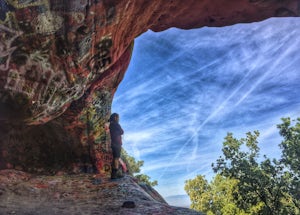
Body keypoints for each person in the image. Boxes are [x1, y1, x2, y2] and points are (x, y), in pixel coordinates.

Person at [109, 113, 124, 179]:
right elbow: (122, 131)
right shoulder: (116, 124)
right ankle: (115, 174)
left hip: (113, 143)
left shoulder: (111, 124)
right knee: (116, 158)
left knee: (115, 158)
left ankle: (114, 173)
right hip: (117, 143)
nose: (118, 119)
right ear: (115, 117)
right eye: (118, 117)